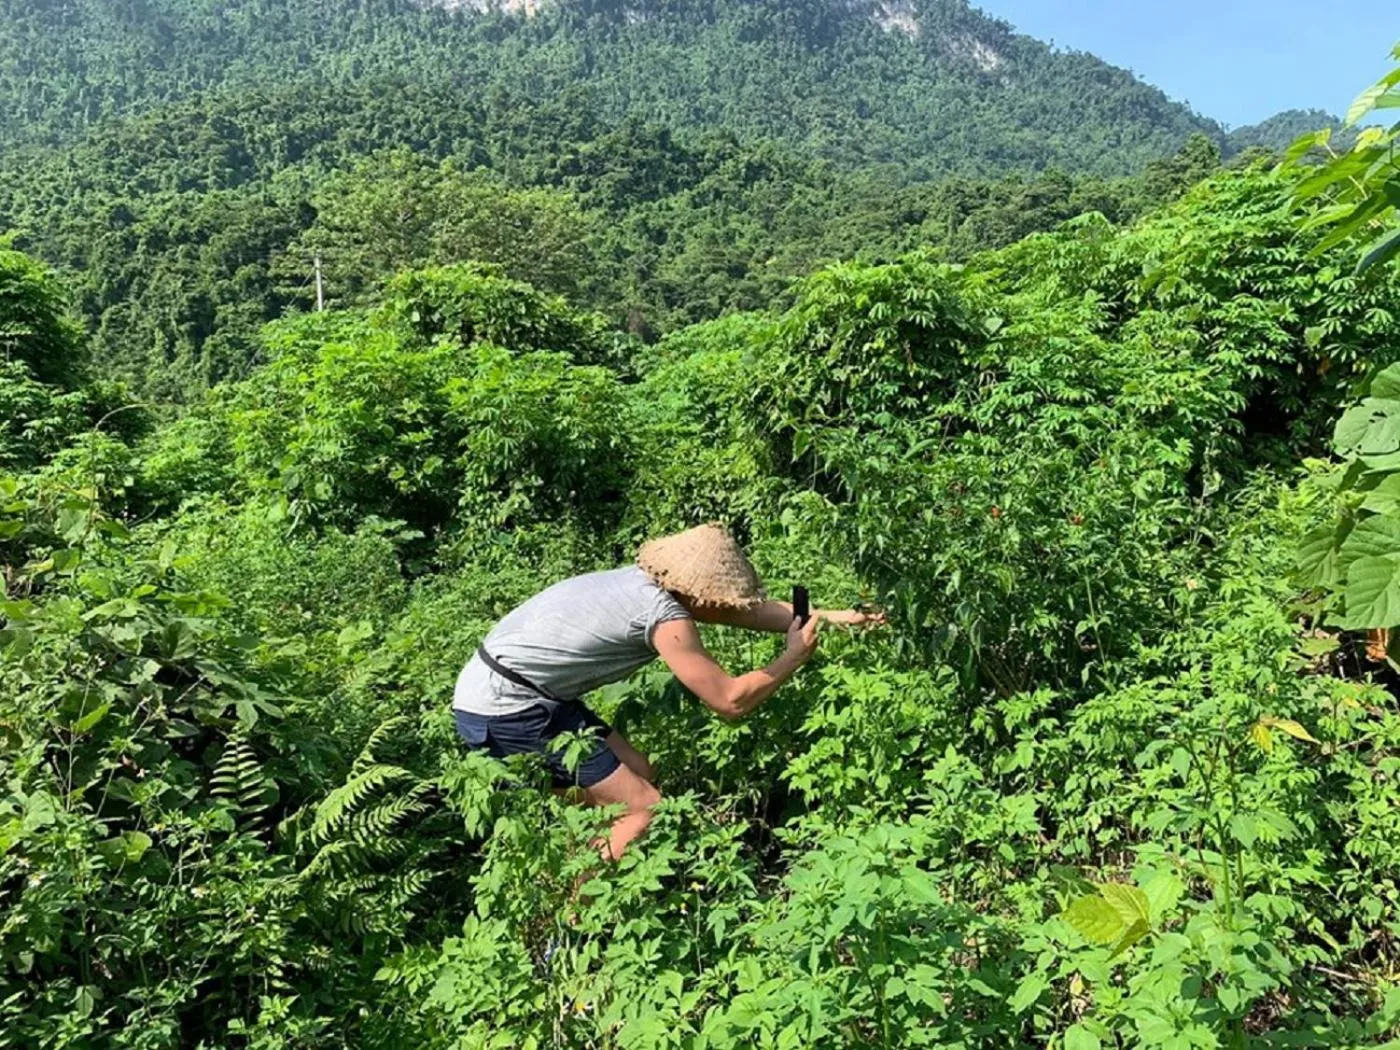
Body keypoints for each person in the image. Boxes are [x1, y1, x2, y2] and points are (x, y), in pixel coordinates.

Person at [452, 523, 884, 862]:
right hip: (507, 708)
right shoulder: (664, 616)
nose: (728, 606)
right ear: (698, 592)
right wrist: (792, 658)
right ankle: (569, 925)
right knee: (643, 808)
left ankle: (592, 853)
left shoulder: (646, 582)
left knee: (639, 768)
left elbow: (743, 613)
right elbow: (730, 701)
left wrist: (835, 617)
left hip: (524, 690)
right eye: (719, 597)